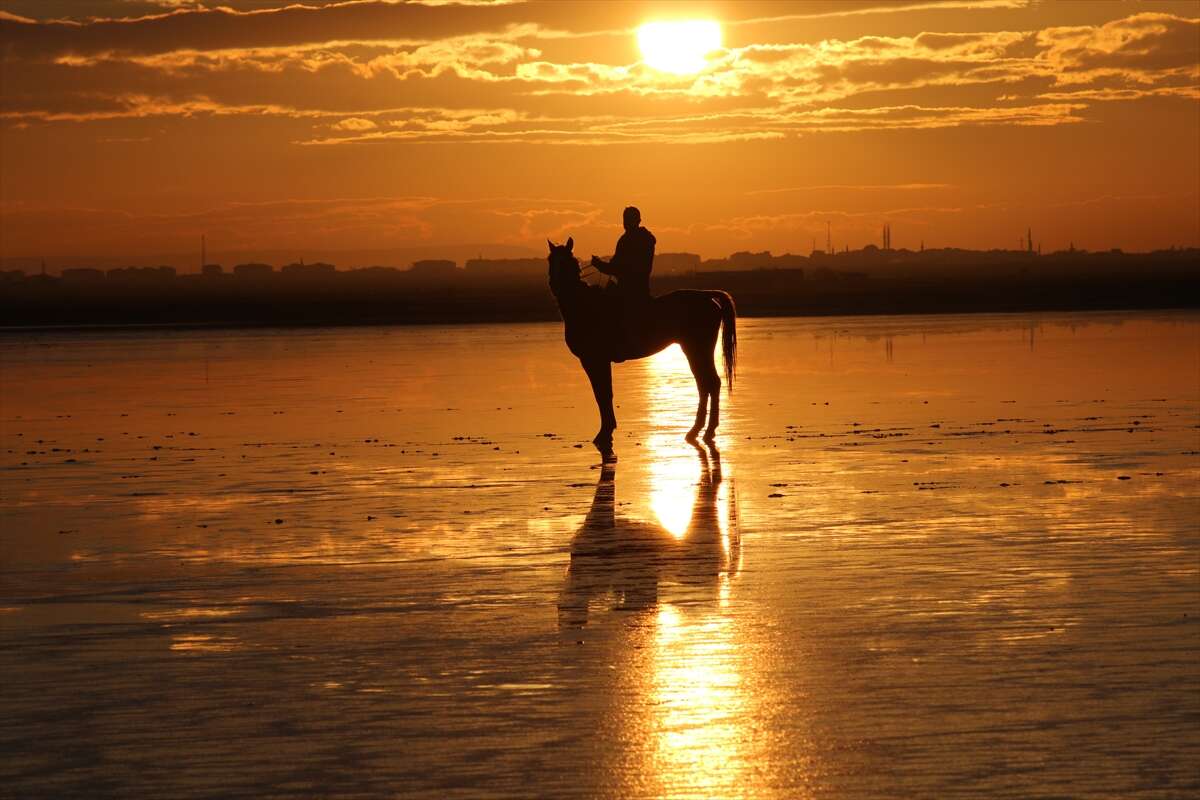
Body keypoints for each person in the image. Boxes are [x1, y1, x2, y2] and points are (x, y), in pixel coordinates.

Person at [591, 206, 655, 352]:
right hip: (641, 288)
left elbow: (616, 268)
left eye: (626, 219)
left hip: (628, 290)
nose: (625, 223)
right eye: (624, 219)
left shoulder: (627, 240)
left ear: (634, 221)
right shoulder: (644, 239)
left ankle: (615, 344)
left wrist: (598, 265)